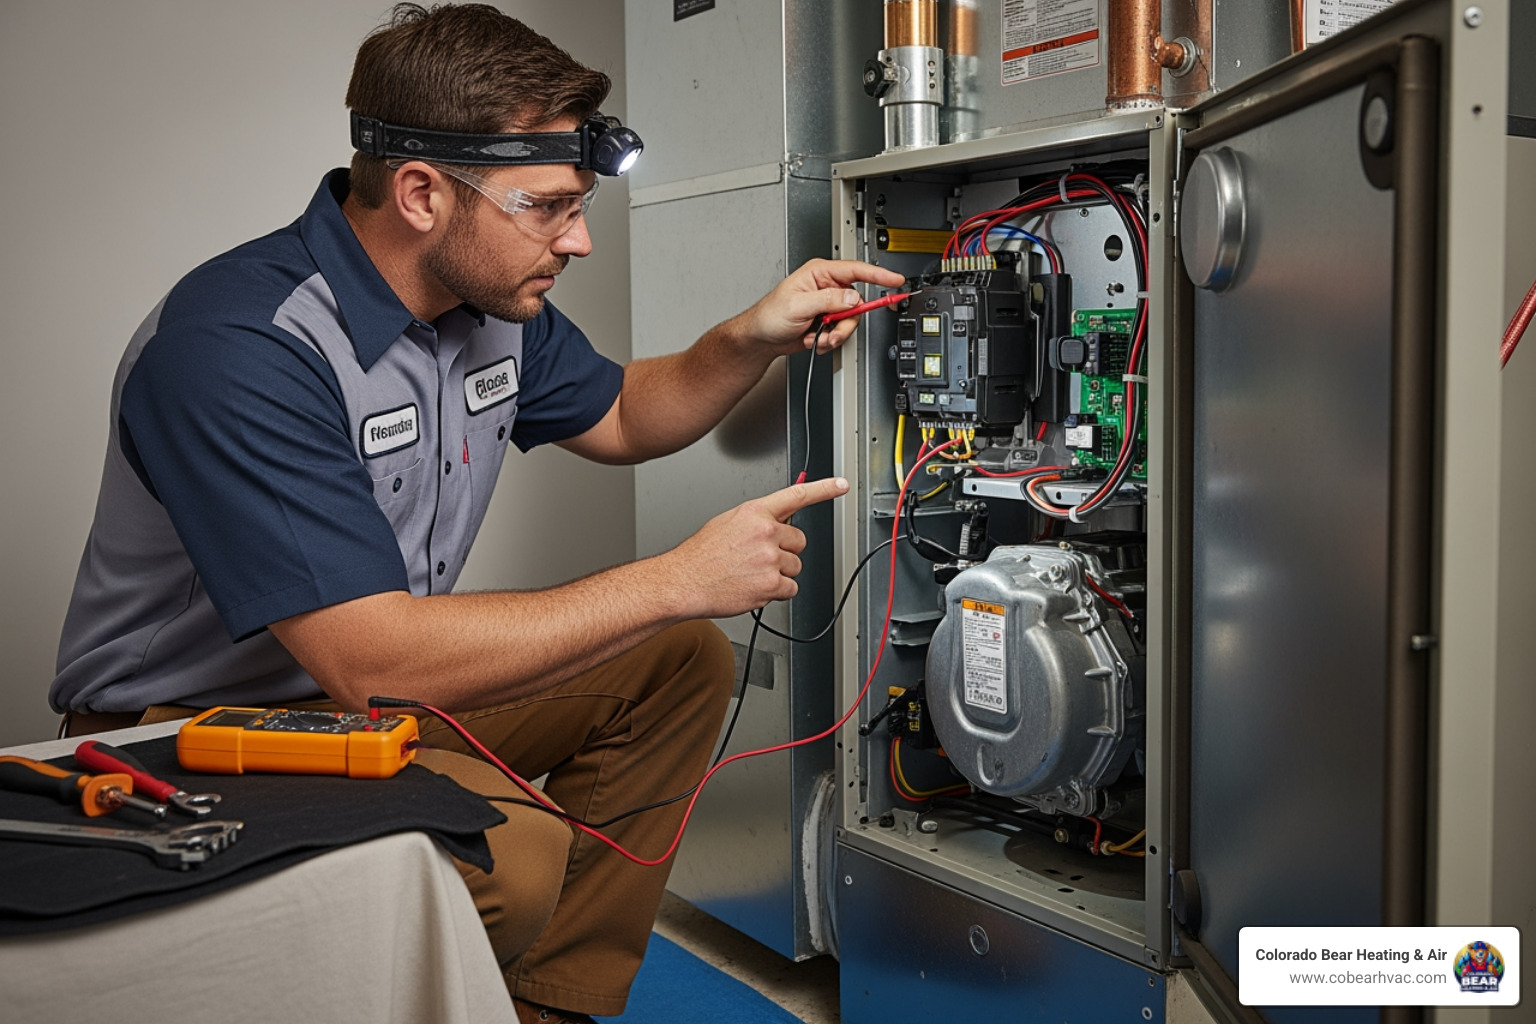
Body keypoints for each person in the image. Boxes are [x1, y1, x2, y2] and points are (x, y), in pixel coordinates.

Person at [48, 5, 902, 1022]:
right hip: (176, 727)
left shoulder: (486, 303)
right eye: (546, 206)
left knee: (679, 660)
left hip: (354, 690)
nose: (578, 239)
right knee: (513, 852)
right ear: (419, 194)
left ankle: (545, 1005)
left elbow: (626, 411)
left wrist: (753, 334)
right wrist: (676, 574)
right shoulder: (240, 345)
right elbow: (367, 654)